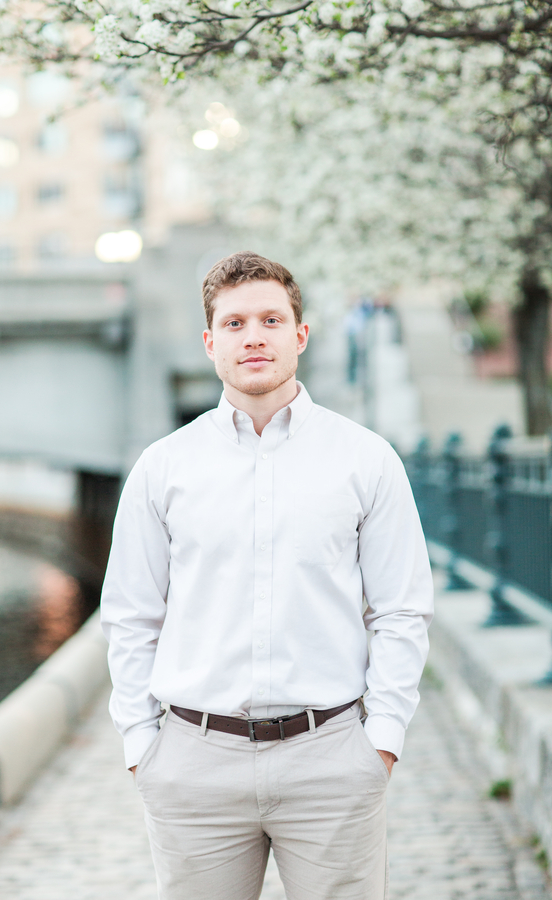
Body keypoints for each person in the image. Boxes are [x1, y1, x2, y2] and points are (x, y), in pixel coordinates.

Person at [100, 251, 434, 900]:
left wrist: (381, 742)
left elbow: (401, 609)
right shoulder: (163, 467)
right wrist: (143, 746)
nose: (253, 336)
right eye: (234, 324)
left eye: (271, 320)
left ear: (299, 335)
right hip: (195, 761)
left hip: (332, 755)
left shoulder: (365, 460)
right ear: (209, 342)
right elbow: (131, 614)